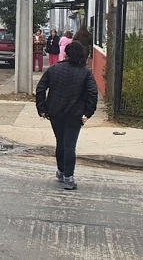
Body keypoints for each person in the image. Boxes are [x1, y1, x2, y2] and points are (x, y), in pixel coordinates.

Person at [35, 41, 98, 190]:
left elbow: (41, 88)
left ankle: (61, 171)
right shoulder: (85, 73)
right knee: (70, 144)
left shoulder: (54, 69)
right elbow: (93, 94)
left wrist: (42, 108)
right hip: (75, 115)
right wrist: (88, 113)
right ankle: (68, 177)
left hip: (55, 112)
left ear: (66, 54)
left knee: (60, 142)